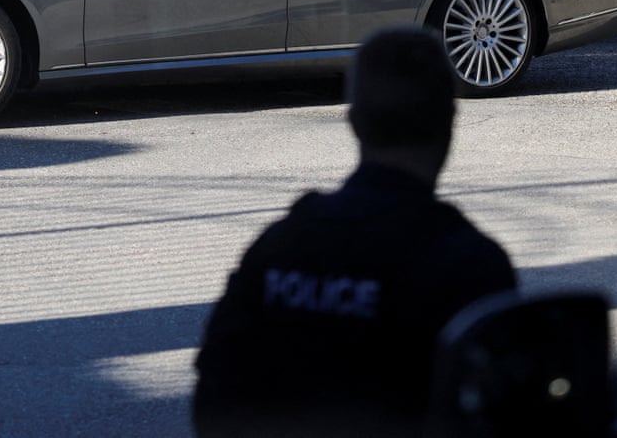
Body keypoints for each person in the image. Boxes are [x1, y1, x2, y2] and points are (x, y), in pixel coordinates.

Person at [191, 26, 518, 437]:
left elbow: (215, 398)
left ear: (354, 122)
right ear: (449, 121)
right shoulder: (472, 266)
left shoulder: (278, 248)